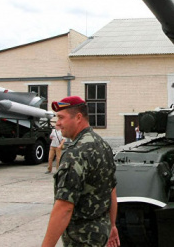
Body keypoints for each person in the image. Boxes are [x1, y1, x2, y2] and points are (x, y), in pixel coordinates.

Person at [42, 96, 120, 247]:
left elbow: (64, 207)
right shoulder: (103, 145)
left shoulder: (75, 154)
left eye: (61, 117)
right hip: (101, 235)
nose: (57, 123)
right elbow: (111, 190)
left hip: (81, 239)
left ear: (78, 117)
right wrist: (112, 225)